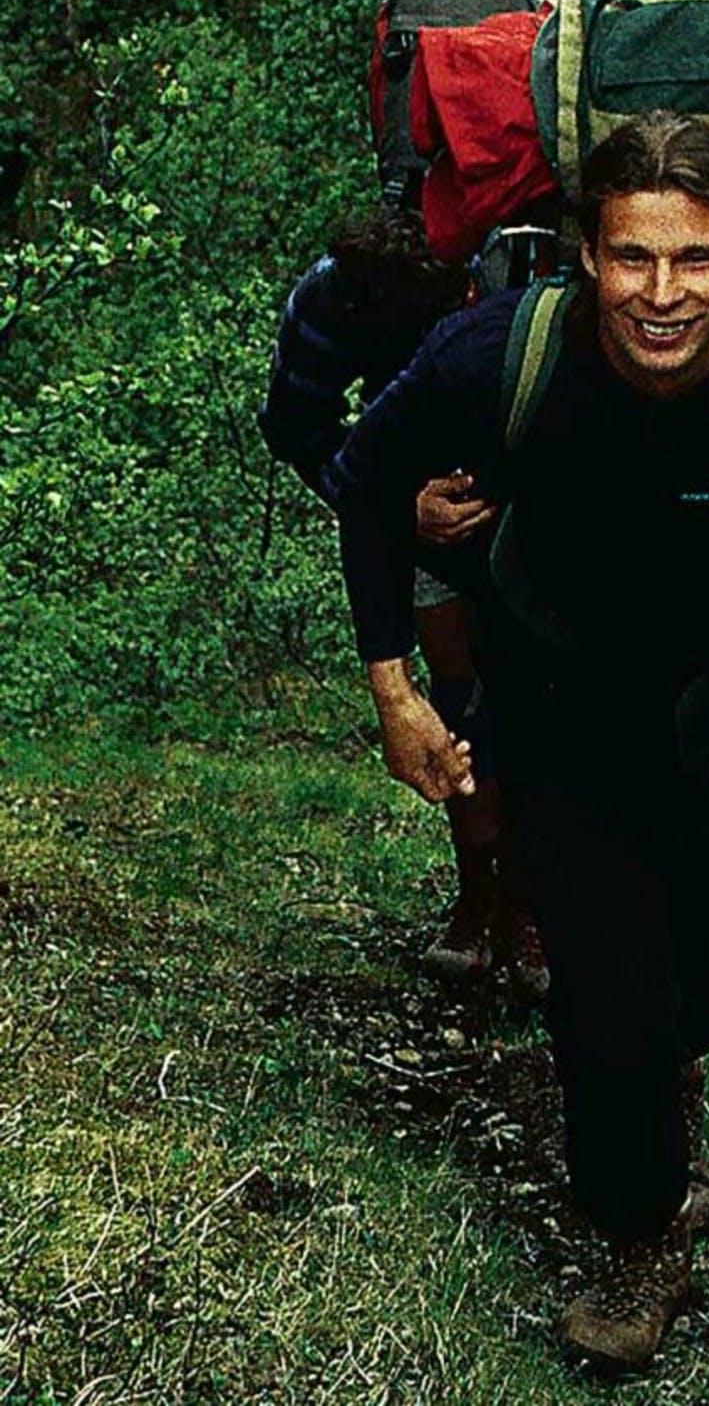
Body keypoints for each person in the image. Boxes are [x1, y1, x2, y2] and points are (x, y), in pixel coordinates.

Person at [317, 113, 709, 1371]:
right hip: (559, 701)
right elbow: (362, 475)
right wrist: (398, 690)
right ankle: (636, 1231)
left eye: (694, 260)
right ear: (582, 257)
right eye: (630, 259)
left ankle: (665, 1084)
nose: (661, 296)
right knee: (607, 1002)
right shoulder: (499, 351)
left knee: (699, 973)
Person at [257, 210, 546, 996]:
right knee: (458, 703)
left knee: (538, 699)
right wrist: (388, 498)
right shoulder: (336, 298)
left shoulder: (534, 289)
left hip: (540, 513)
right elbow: (296, 426)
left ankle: (528, 899)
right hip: (422, 519)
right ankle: (480, 891)